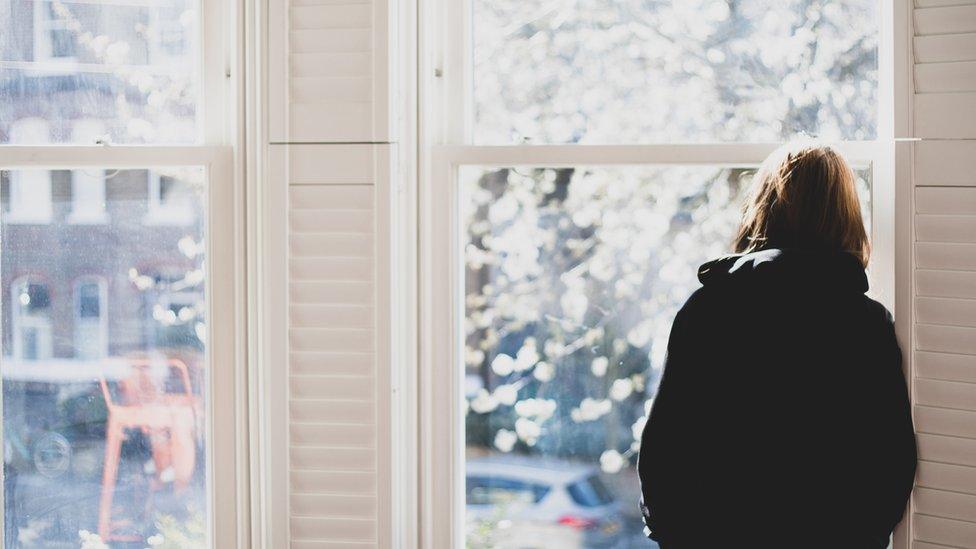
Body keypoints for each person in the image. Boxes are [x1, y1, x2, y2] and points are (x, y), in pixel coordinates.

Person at [637, 143, 917, 548]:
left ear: (763, 206)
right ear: (846, 217)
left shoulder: (709, 307)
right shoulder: (865, 323)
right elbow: (889, 461)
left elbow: (665, 447)